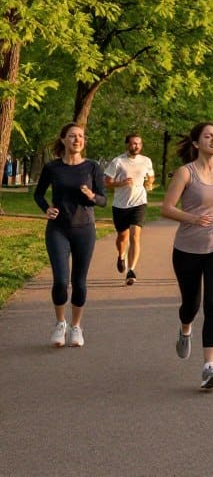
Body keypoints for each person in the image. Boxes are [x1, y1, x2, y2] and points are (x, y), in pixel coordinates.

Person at [161, 122, 213, 389]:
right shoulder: (185, 173)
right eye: (208, 136)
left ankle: (209, 367)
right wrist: (192, 219)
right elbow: (167, 208)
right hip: (187, 249)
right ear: (196, 143)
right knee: (191, 305)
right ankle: (185, 329)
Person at [33, 123, 107, 347]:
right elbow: (38, 194)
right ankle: (60, 323)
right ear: (63, 139)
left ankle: (76, 327)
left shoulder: (92, 167)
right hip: (58, 229)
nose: (77, 140)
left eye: (81, 136)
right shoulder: (52, 167)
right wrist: (46, 207)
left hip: (84, 229)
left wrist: (92, 195)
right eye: (72, 136)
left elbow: (103, 200)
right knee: (61, 281)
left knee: (79, 281)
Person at [104, 133, 155, 285]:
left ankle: (131, 270)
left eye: (138, 143)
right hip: (120, 205)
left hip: (139, 202)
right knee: (122, 237)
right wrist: (121, 183)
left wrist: (149, 182)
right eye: (133, 143)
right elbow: (107, 182)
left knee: (135, 236)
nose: (136, 146)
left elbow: (151, 176)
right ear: (127, 144)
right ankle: (121, 256)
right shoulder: (118, 161)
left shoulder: (146, 161)